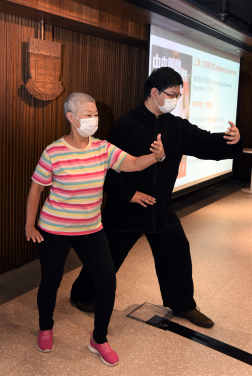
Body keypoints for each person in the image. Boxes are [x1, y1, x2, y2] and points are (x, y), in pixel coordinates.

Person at [70, 68, 243, 328]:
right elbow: (105, 167)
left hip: (159, 207)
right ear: (154, 92)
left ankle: (183, 305)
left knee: (177, 252)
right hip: (126, 208)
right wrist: (129, 194)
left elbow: (205, 143)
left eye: (178, 95)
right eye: (172, 94)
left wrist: (231, 141)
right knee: (108, 257)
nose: (176, 99)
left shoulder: (176, 125)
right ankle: (83, 294)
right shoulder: (126, 125)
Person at [25, 92, 165, 367]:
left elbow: (134, 163)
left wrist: (156, 157)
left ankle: (98, 339)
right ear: (71, 117)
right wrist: (30, 225)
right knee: (50, 283)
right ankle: (45, 326)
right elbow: (36, 190)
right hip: (54, 229)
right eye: (88, 115)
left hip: (91, 228)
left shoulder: (103, 148)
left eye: (95, 114)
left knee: (107, 282)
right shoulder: (53, 151)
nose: (94, 119)